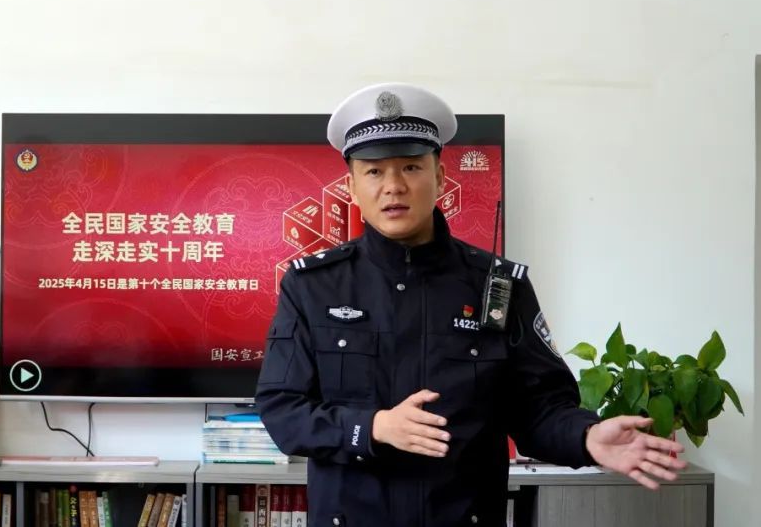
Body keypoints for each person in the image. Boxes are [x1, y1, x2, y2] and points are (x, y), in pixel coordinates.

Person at [255, 82, 687, 527]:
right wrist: (373, 427)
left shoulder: (498, 285)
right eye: (374, 172)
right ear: (351, 186)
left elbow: (539, 409)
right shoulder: (313, 287)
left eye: (411, 167)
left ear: (441, 177)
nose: (394, 187)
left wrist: (587, 436)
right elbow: (282, 408)